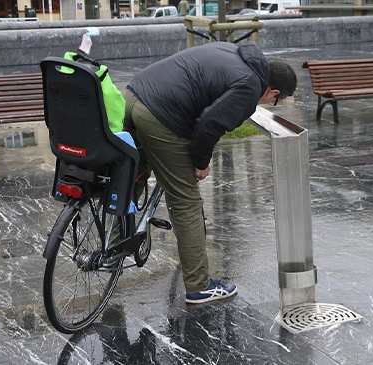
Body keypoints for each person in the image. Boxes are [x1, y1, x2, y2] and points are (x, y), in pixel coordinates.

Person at [123, 42, 297, 304]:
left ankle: (113, 244)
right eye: (275, 100)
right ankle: (199, 285)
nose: (270, 103)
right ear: (272, 91)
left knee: (131, 173)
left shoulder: (235, 52)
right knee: (186, 202)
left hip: (134, 94)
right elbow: (209, 125)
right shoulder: (249, 87)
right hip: (160, 115)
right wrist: (201, 163)